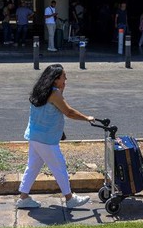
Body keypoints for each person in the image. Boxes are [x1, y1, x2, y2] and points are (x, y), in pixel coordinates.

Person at [16, 64, 93, 209]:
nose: (66, 79)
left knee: (32, 167)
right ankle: (70, 199)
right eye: (64, 76)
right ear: (55, 79)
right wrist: (87, 118)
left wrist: (61, 89)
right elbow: (68, 112)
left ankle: (23, 198)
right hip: (46, 140)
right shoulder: (54, 94)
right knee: (59, 167)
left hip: (34, 135)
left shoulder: (40, 90)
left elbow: (50, 111)